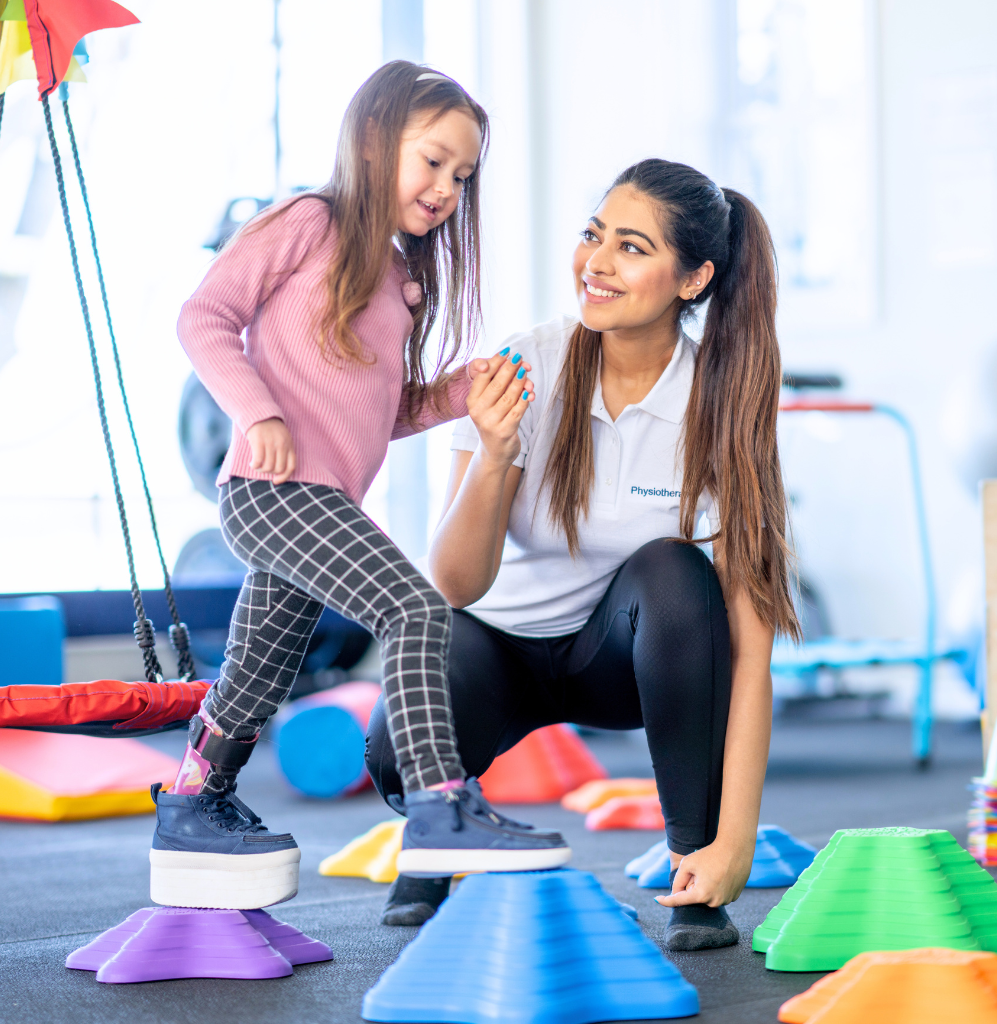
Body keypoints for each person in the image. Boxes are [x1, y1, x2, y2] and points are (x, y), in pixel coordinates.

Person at [157, 62, 569, 912]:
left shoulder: (399, 281)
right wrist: (258, 412)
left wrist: (461, 389)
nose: (446, 186)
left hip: (322, 501)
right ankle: (440, 806)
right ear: (376, 143)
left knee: (257, 672)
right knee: (416, 610)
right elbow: (203, 317)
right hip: (274, 492)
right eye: (432, 161)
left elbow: (380, 411)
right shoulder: (311, 221)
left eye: (462, 175)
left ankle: (195, 799)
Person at [367, 158, 799, 947]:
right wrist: (495, 454)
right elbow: (455, 585)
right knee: (394, 742)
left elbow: (751, 650)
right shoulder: (526, 363)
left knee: (676, 574)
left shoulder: (721, 404)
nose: (596, 264)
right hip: (494, 647)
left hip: (621, 665)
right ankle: (435, 831)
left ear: (693, 278)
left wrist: (736, 841)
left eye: (631, 248)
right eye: (593, 235)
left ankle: (693, 868)